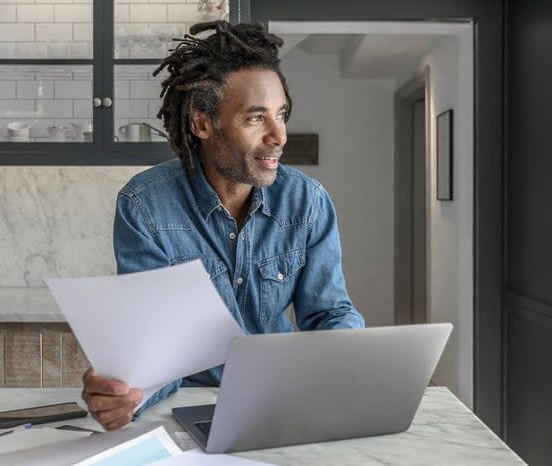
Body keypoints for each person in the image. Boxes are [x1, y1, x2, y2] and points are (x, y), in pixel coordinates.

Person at [82, 20, 365, 431]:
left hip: (283, 398)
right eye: (256, 119)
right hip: (188, 405)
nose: (279, 136)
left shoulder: (308, 202)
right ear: (202, 124)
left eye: (280, 115)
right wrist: (129, 391)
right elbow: (157, 343)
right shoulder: (144, 206)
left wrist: (353, 361)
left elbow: (328, 312)